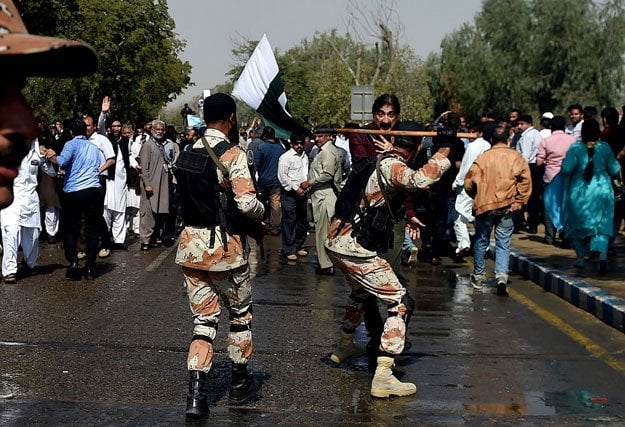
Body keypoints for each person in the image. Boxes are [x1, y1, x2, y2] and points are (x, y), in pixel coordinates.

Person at [325, 120, 451, 398]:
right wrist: (444, 150)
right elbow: (419, 181)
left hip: (339, 240)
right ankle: (384, 374)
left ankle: (344, 344)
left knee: (359, 292)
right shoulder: (391, 165)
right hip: (352, 245)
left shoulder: (378, 160)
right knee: (400, 302)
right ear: (417, 147)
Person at [173, 93, 265, 418]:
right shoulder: (234, 153)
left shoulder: (185, 154)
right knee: (240, 314)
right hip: (225, 250)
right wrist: (263, 212)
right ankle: (240, 382)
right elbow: (245, 203)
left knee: (203, 321)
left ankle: (196, 396)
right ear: (230, 118)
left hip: (189, 248)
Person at [465, 126, 532, 296]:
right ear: (508, 139)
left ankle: (479, 276)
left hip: (485, 207)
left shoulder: (482, 158)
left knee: (481, 241)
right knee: (503, 242)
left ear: (491, 140)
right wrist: (520, 201)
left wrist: (478, 196)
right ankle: (501, 276)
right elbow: (525, 181)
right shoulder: (516, 157)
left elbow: (469, 182)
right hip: (508, 206)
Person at [46, 119, 103, 280]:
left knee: (71, 227)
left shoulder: (71, 144)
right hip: (93, 190)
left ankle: (73, 260)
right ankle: (90, 267)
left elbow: (62, 162)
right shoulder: (93, 147)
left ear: (71, 131)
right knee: (92, 230)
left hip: (75, 191)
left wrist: (51, 155)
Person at [561, 119, 620, 274]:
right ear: (597, 131)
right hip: (602, 190)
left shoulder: (575, 148)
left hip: (579, 193)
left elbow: (566, 169)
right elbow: (614, 169)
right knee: (602, 225)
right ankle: (602, 256)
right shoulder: (605, 147)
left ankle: (580, 259)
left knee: (577, 225)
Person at [1, 138, 55, 283]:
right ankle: (10, 271)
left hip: (30, 200)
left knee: (33, 235)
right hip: (11, 200)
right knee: (10, 234)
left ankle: (29, 263)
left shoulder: (38, 154)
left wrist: (51, 156)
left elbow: (52, 171)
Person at [300, 126, 343, 275]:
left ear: (329, 137)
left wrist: (309, 183)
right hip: (319, 196)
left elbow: (327, 175)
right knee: (321, 232)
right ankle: (325, 263)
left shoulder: (328, 152)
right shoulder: (324, 151)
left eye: (321, 136)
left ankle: (326, 265)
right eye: (316, 136)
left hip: (325, 197)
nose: (317, 139)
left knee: (323, 233)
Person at [452, 123, 491, 258]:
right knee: (479, 216)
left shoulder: (473, 146)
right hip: (484, 186)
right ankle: (483, 246)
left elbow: (466, 166)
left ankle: (464, 245)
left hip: (469, 185)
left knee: (459, 215)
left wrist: (457, 182)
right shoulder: (488, 146)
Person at [536, 115, 576, 245]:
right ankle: (566, 236)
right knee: (567, 206)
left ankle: (549, 236)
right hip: (568, 177)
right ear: (564, 126)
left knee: (549, 206)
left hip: (550, 177)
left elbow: (539, 162)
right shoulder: (573, 140)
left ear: (551, 127)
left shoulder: (546, 141)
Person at [139, 119, 176, 250]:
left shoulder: (161, 145)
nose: (160, 132)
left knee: (159, 212)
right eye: (157, 129)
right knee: (148, 212)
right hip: (151, 184)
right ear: (152, 130)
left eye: (162, 130)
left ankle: (155, 237)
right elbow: (144, 167)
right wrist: (147, 184)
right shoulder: (148, 145)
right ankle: (145, 240)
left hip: (163, 184)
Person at [277, 133, 309, 261]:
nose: (300, 146)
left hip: (303, 192)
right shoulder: (286, 157)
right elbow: (282, 177)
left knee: (302, 221)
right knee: (289, 220)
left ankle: (298, 245)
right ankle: (289, 249)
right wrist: (296, 188)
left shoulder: (304, 156)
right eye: (297, 144)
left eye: (301, 143)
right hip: (290, 193)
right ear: (292, 144)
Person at [254, 126, 285, 236]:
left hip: (263, 181)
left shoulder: (261, 147)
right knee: (275, 205)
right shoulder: (281, 148)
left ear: (265, 135)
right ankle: (275, 228)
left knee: (261, 203)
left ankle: (263, 224)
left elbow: (256, 165)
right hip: (276, 182)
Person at [515, 114, 543, 234]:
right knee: (535, 196)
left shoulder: (526, 137)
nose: (520, 126)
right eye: (519, 124)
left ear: (529, 124)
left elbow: (525, 156)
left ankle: (527, 223)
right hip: (537, 167)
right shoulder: (537, 134)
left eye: (522, 124)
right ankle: (533, 223)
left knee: (527, 195)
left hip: (528, 166)